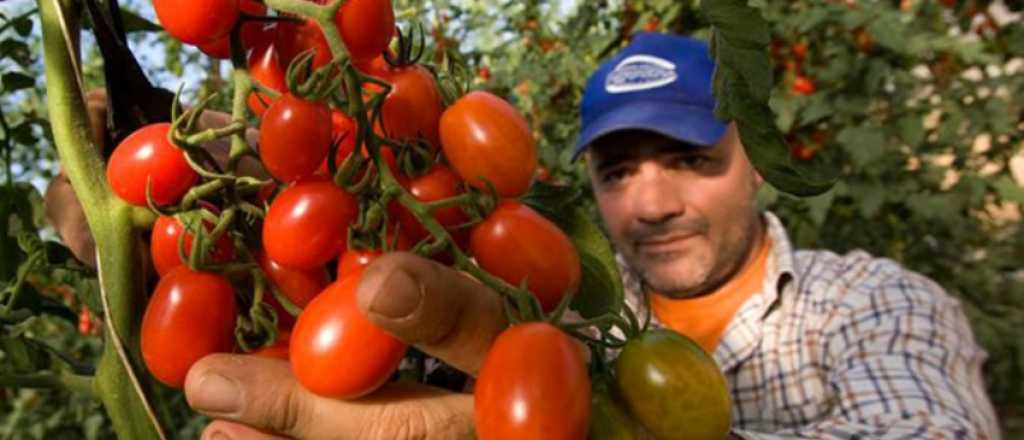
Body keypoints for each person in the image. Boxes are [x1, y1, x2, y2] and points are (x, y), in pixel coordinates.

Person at [47, 33, 1000, 439]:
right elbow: (319, 321)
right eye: (617, 170)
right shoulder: (551, 298)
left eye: (690, 159)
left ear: (754, 160)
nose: (653, 201)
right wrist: (188, 229)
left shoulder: (872, 303)